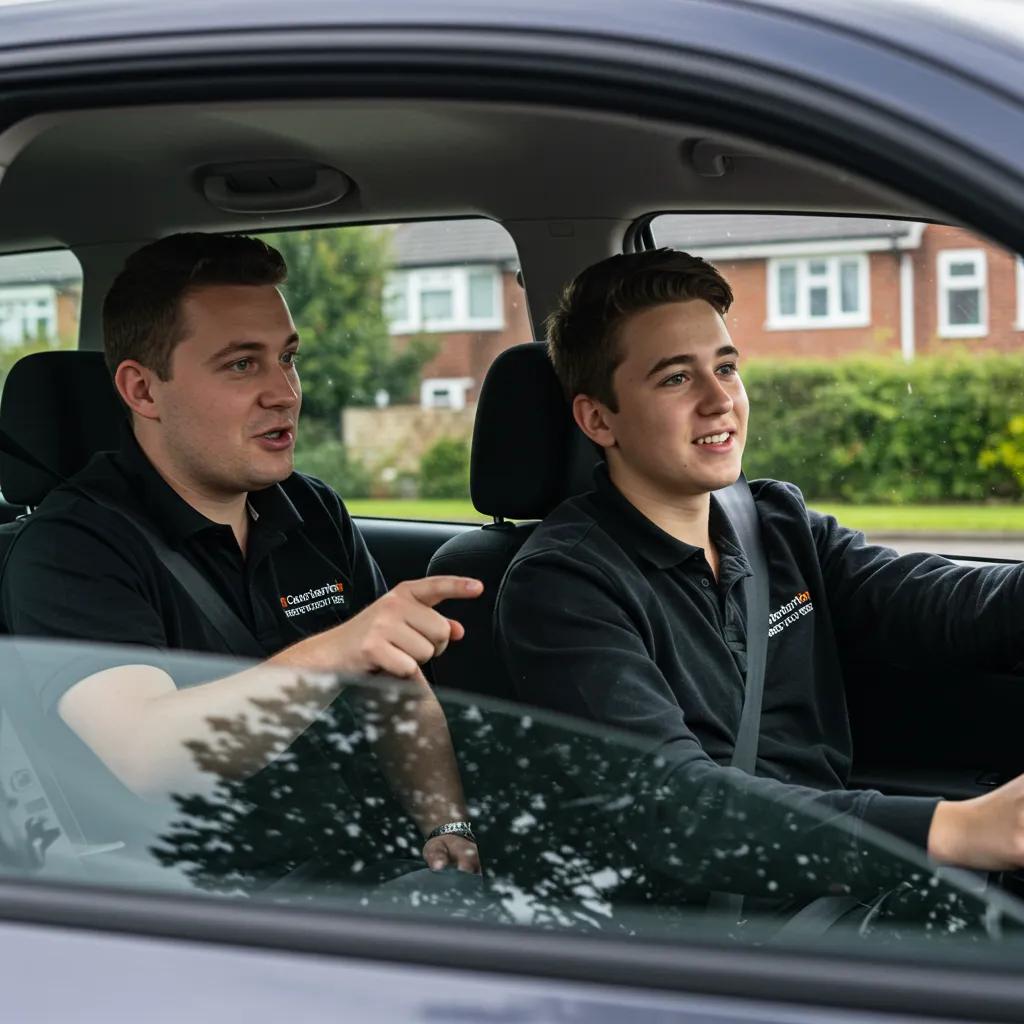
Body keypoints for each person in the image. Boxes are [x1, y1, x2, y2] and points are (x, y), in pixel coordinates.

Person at [494, 248, 1024, 909]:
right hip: (707, 938)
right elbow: (681, 810)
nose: (720, 400)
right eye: (674, 380)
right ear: (599, 419)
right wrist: (963, 827)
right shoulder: (562, 587)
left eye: (725, 368)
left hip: (836, 887)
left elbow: (939, 603)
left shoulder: (773, 521)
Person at [1, 233, 482, 878]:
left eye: (288, 359)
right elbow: (146, 752)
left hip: (361, 864)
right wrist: (338, 649)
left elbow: (395, 687)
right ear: (143, 391)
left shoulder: (310, 509)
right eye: (241, 365)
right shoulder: (72, 548)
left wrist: (444, 825)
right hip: (212, 906)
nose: (284, 392)